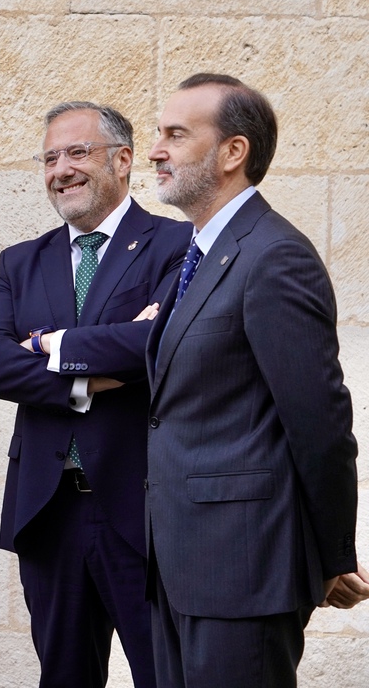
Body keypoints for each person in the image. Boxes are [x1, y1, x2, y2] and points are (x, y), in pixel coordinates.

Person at [0, 102, 191, 688]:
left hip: (142, 508)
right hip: (48, 511)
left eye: (76, 152)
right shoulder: (21, 262)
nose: (60, 169)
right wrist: (90, 376)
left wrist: (48, 345)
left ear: (123, 160)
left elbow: (157, 342)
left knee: (167, 675)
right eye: (49, 158)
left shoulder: (177, 244)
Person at [145, 73, 360, 687]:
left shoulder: (274, 256)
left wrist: (328, 555)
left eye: (176, 135)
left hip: (242, 571)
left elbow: (320, 423)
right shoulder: (199, 255)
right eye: (159, 133)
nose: (156, 149)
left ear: (233, 152)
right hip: (178, 565)